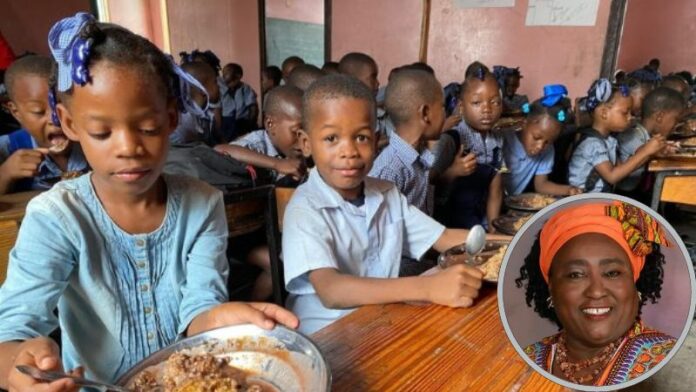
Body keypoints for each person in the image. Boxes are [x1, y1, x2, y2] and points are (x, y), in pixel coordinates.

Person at [0, 13, 298, 391]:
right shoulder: (57, 217)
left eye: (148, 128)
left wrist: (218, 318)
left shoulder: (203, 203)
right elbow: (11, 329)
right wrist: (18, 363)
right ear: (70, 123)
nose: (129, 148)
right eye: (102, 132)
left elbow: (200, 307)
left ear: (172, 119)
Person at [283, 74, 507, 334]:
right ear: (306, 143)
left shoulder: (385, 193)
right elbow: (331, 291)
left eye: (361, 137)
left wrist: (519, 242)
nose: (349, 151)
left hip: (379, 321)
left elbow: (444, 237)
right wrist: (427, 287)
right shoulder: (305, 208)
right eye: (332, 139)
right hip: (326, 334)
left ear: (377, 138)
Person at [516, 201, 675, 387]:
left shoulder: (667, 362)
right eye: (575, 275)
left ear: (634, 283)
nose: (596, 291)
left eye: (612, 273)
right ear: (551, 287)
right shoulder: (529, 358)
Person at [0, 55, 88, 195]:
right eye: (39, 112)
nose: (55, 119)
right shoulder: (6, 148)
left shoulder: (92, 141)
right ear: (16, 112)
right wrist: (5, 174)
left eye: (62, 106)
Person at [437, 62, 503, 230]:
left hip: (479, 219)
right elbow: (426, 183)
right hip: (449, 224)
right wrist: (453, 172)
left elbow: (495, 186)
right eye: (476, 103)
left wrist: (493, 229)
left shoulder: (496, 140)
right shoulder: (452, 138)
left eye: (494, 102)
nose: (487, 109)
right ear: (461, 107)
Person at [568, 79, 665, 193]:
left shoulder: (609, 141)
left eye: (631, 113)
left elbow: (622, 171)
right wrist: (645, 152)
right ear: (604, 113)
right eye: (625, 113)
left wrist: (649, 153)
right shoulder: (592, 144)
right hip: (583, 203)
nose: (630, 117)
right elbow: (613, 177)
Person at [502, 85, 582, 196]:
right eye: (536, 137)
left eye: (548, 142)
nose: (540, 146)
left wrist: (568, 190)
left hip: (511, 202)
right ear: (523, 124)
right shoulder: (503, 140)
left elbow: (541, 185)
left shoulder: (548, 150)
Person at [215, 85, 305, 182]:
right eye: (296, 132)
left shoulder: (302, 150)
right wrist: (277, 163)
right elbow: (220, 150)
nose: (304, 139)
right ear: (270, 124)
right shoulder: (257, 144)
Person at [617, 87, 685, 194]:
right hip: (625, 196)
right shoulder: (632, 137)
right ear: (659, 117)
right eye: (675, 120)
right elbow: (630, 166)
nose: (675, 125)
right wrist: (653, 153)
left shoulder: (647, 136)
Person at [169, 60, 222, 145]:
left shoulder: (203, 116)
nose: (219, 86)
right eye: (215, 82)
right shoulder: (182, 125)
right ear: (202, 89)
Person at [220, 62, 259, 141]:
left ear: (238, 77)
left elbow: (253, 107)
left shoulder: (245, 88)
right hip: (225, 122)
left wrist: (250, 123)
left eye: (227, 73)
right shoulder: (221, 88)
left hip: (241, 122)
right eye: (223, 73)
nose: (224, 76)